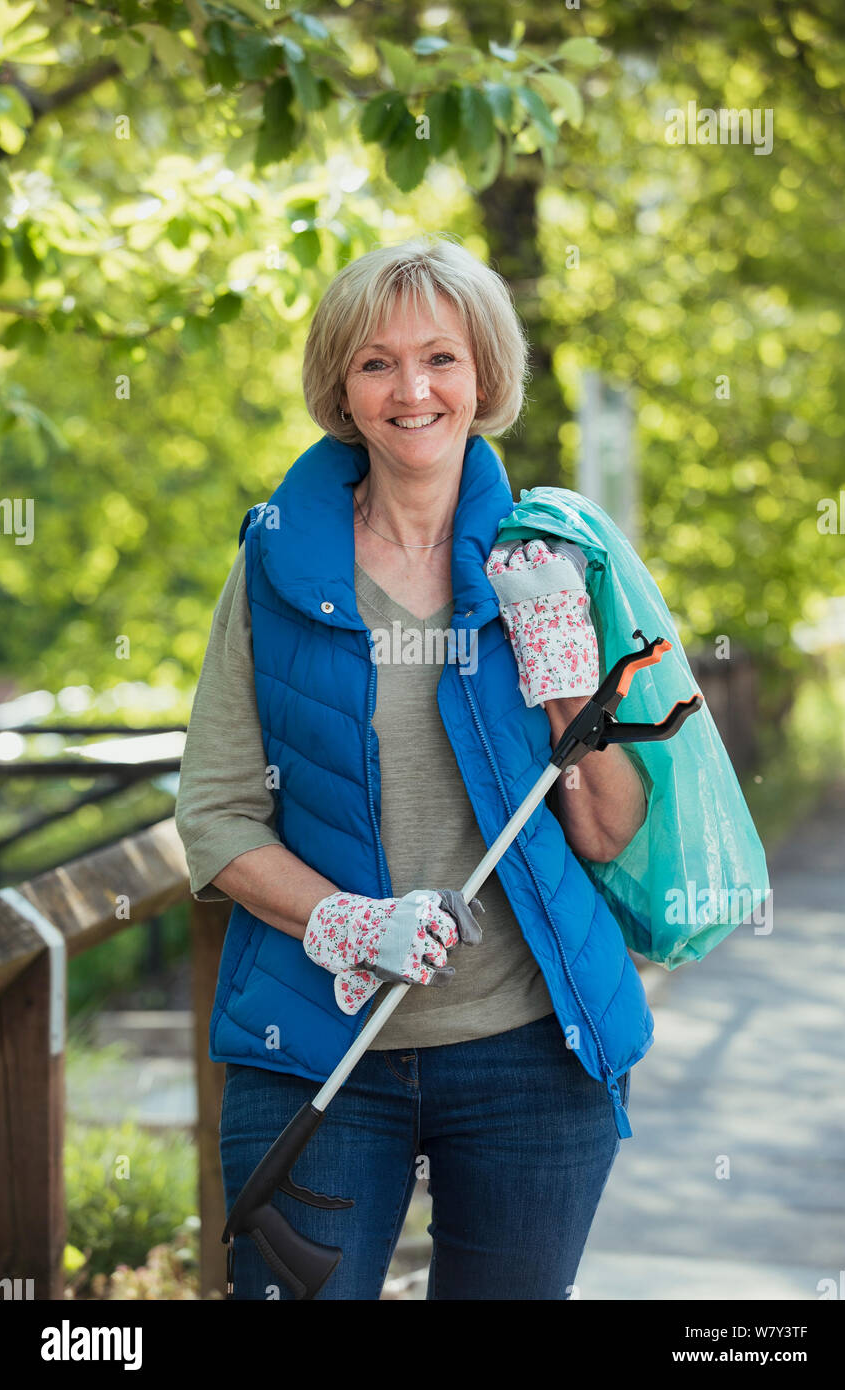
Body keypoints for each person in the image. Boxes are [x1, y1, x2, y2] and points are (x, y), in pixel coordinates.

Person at [175, 232, 651, 1301]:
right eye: (376, 362)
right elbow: (213, 818)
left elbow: (607, 828)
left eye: (440, 357)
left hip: (529, 1048)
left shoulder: (551, 559)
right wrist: (350, 920)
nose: (412, 389)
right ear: (342, 390)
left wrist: (567, 668)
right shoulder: (274, 564)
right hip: (313, 1044)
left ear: (481, 375)